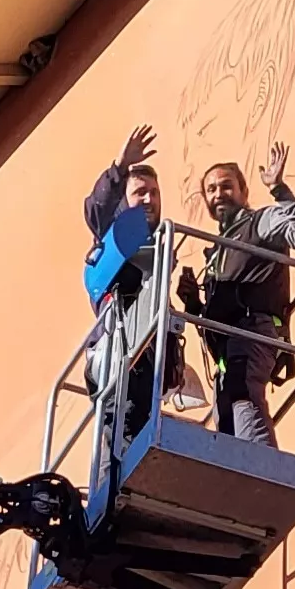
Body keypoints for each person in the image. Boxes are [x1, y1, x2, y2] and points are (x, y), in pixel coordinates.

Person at [180, 142, 295, 447]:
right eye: (211, 189)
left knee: (242, 396)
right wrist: (193, 302)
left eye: (226, 186)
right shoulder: (215, 253)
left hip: (253, 333)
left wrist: (279, 190)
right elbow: (212, 320)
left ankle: (263, 463)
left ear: (244, 192)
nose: (218, 193)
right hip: (226, 353)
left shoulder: (260, 223)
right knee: (226, 419)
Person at [82, 125, 184, 449]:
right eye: (140, 192)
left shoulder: (156, 247)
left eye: (154, 192)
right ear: (125, 200)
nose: (149, 199)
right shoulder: (115, 235)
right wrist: (120, 167)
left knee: (140, 440)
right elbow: (96, 209)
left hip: (146, 366)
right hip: (118, 359)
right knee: (121, 443)